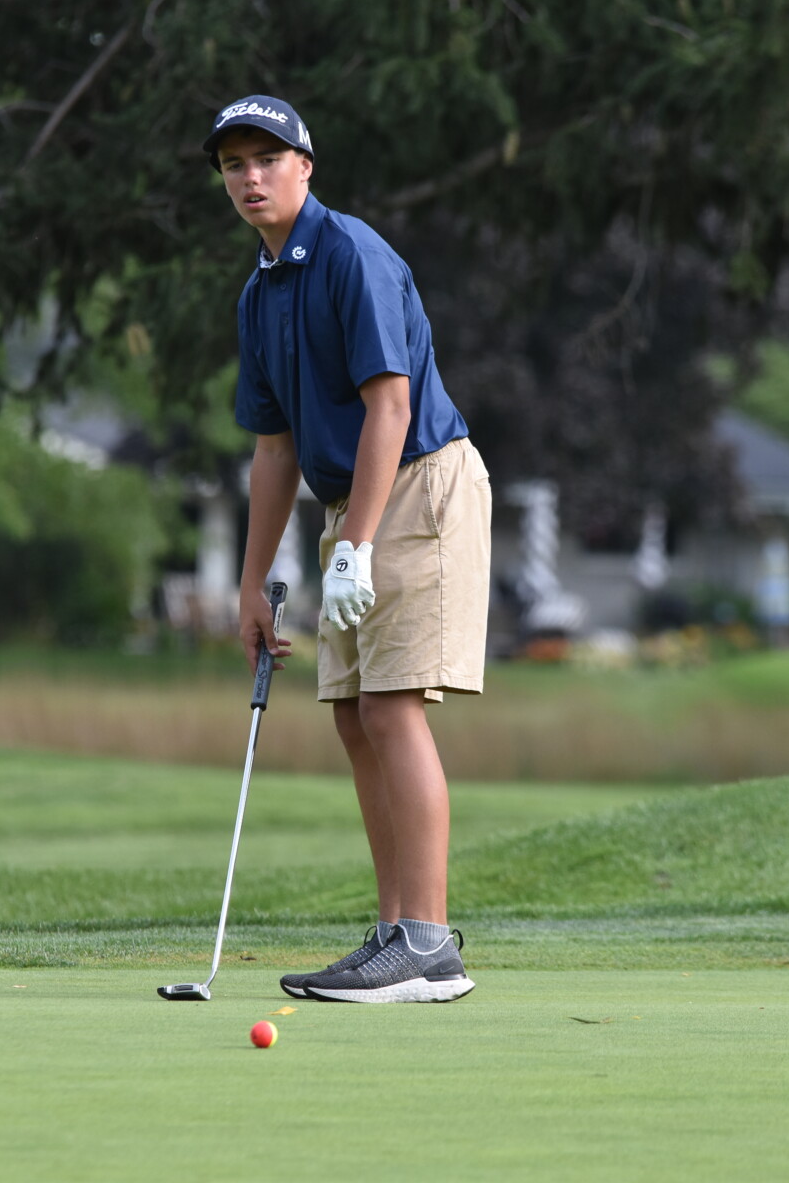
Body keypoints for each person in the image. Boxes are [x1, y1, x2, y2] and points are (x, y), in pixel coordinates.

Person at [205, 95, 492, 1003]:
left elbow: (390, 408)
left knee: (394, 707)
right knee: (352, 713)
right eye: (234, 165)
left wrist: (354, 547)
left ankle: (428, 943)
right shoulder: (261, 291)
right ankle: (394, 933)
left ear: (306, 166)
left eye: (267, 159)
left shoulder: (350, 256)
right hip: (355, 505)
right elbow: (275, 447)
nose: (251, 178)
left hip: (419, 483)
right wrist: (252, 584)